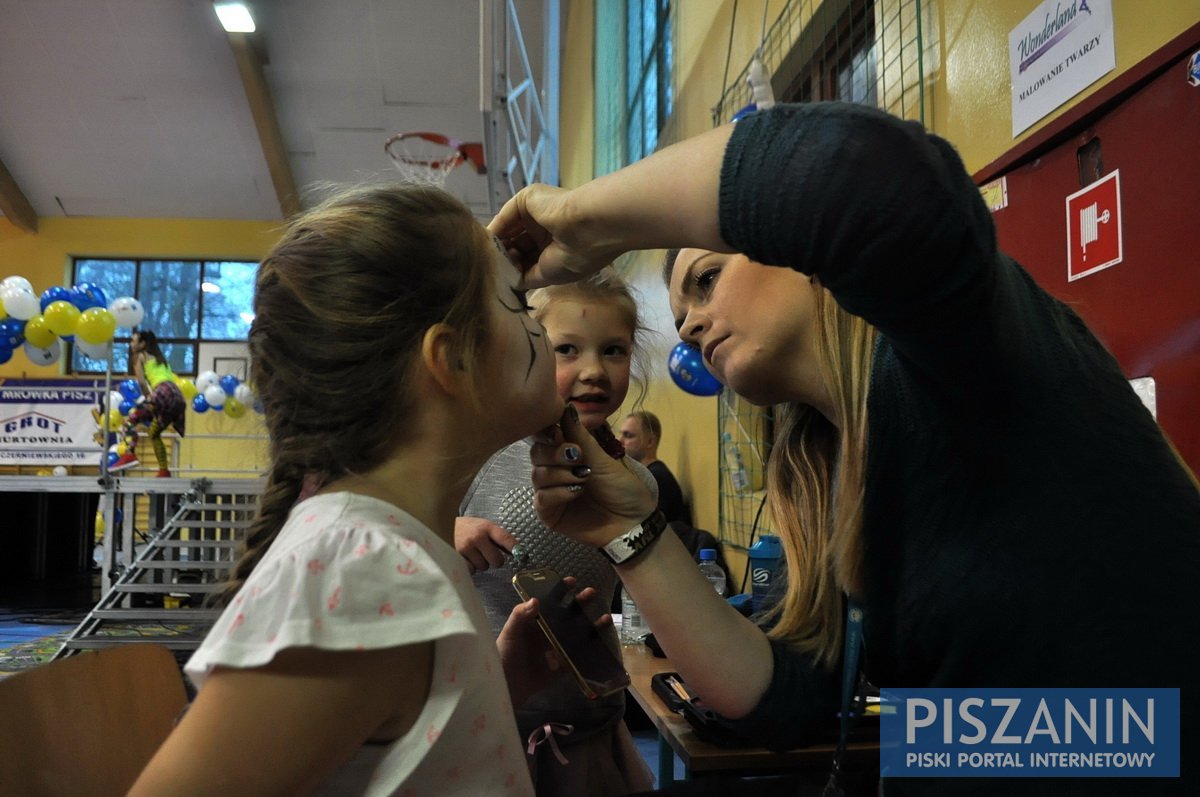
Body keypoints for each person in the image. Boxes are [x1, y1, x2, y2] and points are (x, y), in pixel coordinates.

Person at [491, 101, 1200, 796]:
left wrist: (585, 220)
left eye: (707, 280)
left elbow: (870, 175)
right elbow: (781, 697)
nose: (693, 327)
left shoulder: (956, 356)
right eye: (680, 322)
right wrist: (631, 531)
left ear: (805, 258)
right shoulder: (830, 462)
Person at [129, 183, 602, 796]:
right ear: (452, 360)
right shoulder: (364, 569)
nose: (540, 326)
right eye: (518, 303)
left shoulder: (397, 553)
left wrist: (496, 680)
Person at [456, 269, 656, 796]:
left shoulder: (636, 484)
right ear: (523, 353)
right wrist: (447, 532)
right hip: (490, 717)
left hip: (590, 717)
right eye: (567, 349)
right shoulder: (477, 454)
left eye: (613, 350)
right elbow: (400, 546)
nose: (594, 370)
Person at [109, 329, 186, 477]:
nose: (131, 344)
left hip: (162, 392)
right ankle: (164, 470)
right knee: (154, 433)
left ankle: (130, 453)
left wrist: (149, 400)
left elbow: (143, 383)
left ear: (142, 344)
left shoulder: (140, 356)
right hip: (177, 397)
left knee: (129, 422)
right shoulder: (160, 358)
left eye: (133, 341)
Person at [620, 410, 690, 525]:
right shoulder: (646, 475)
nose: (620, 440)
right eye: (621, 434)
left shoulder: (656, 479)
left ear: (650, 442)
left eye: (628, 435)